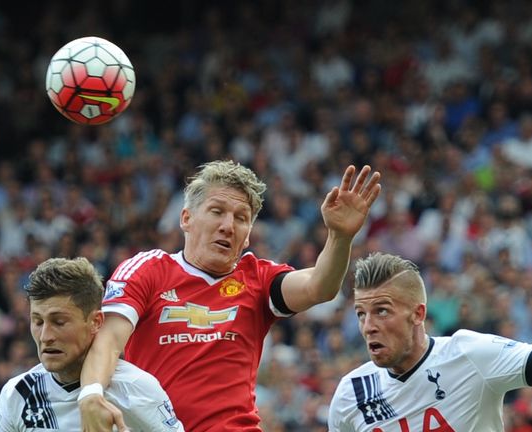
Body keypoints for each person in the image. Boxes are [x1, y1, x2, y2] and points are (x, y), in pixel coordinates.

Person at [78, 160, 382, 431]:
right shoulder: (148, 270)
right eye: (217, 211)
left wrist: (340, 237)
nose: (227, 226)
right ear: (186, 218)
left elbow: (320, 286)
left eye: (240, 218)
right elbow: (108, 340)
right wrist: (91, 394)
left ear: (248, 234)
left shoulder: (258, 279)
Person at [328, 252, 532, 431]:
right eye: (361, 314)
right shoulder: (351, 394)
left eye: (382, 311)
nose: (368, 327)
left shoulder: (470, 354)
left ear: (418, 314)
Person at [0, 257, 183, 431]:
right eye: (38, 322)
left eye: (59, 322)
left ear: (96, 322)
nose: (45, 336)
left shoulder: (137, 389)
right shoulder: (17, 394)